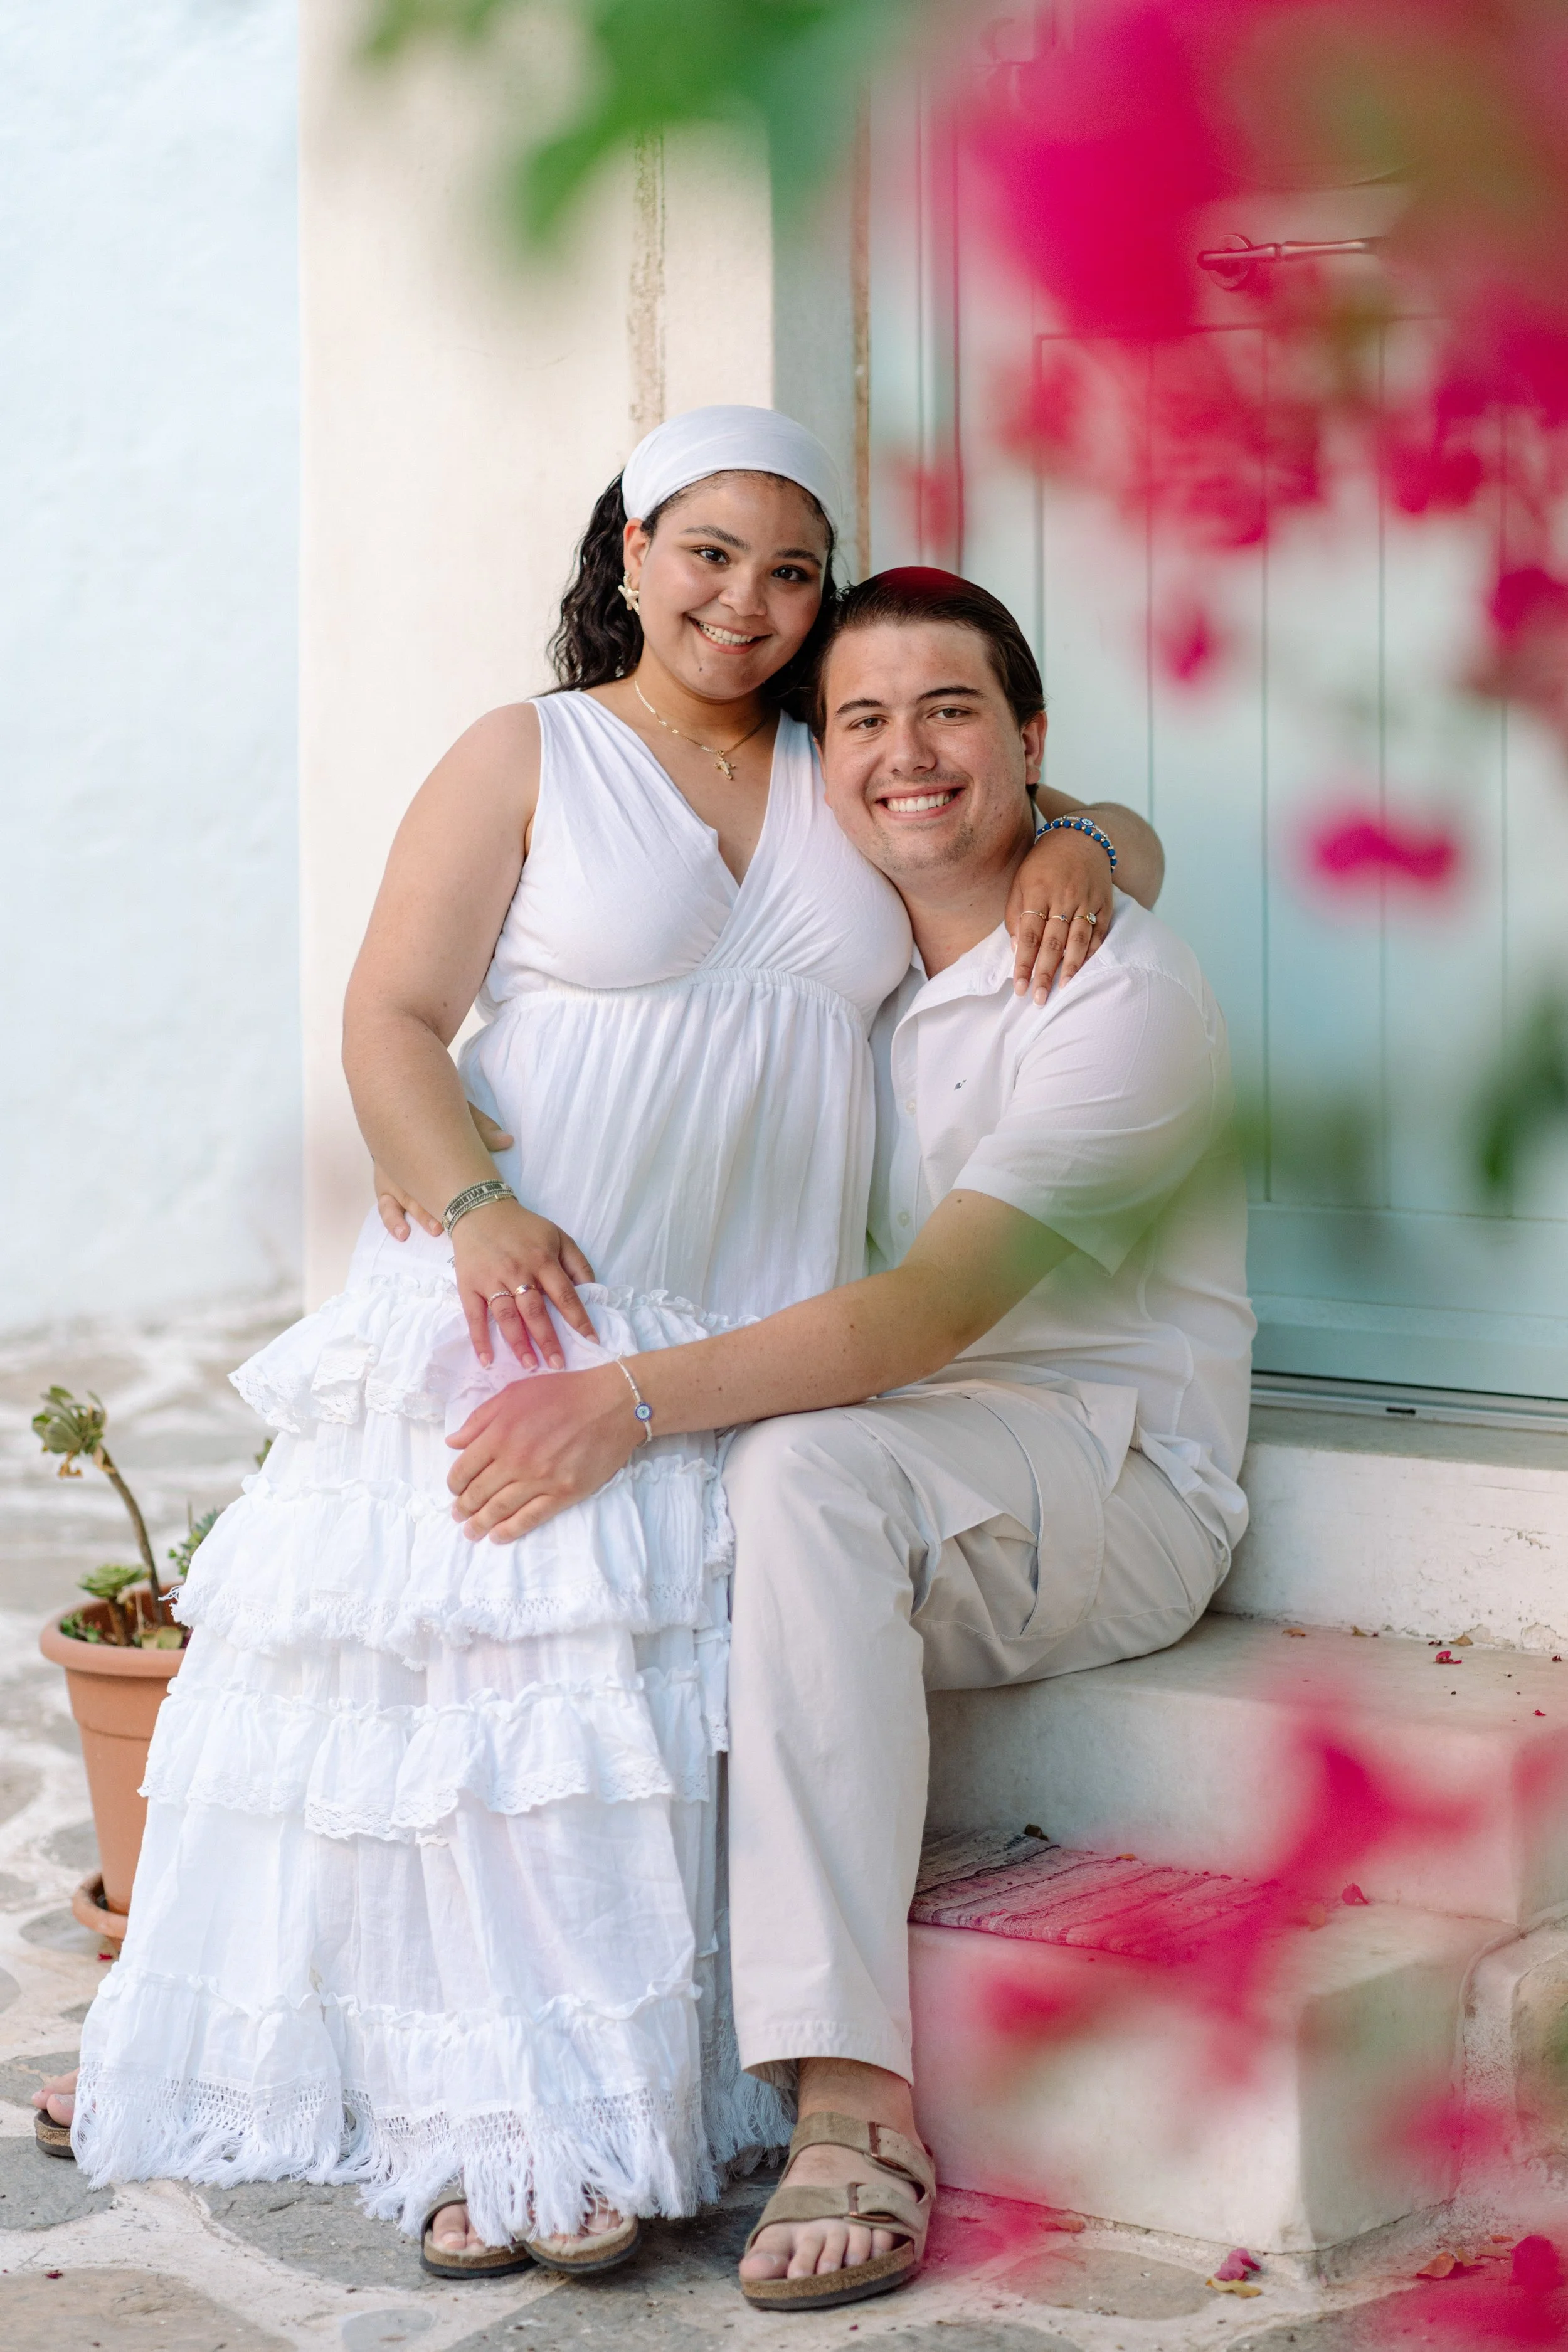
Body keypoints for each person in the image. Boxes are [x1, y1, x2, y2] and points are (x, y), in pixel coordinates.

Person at [49, 415, 1163, 2280]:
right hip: (534, 1295)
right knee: (492, 1725)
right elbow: (392, 1013)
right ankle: (495, 2119)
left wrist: (1091, 843)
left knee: (636, 1739)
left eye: (790, 570)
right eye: (708, 551)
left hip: (745, 1328)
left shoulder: (842, 770)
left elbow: (1022, 811)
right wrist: (472, 1204)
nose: (747, 597)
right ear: (633, 551)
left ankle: (597, 2108)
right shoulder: (530, 750)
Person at [437, 565, 1254, 2313]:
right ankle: (534, 2078)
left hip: (1100, 1474)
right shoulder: (855, 960)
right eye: (862, 721)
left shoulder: (1114, 992)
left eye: (949, 711)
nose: (905, 755)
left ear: (1027, 738)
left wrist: (619, 1399)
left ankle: (853, 2100)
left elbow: (925, 1317)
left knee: (781, 1469)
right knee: (605, 1539)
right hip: (904, 1446)